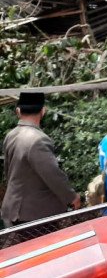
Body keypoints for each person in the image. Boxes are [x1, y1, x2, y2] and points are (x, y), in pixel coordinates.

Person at [2, 93, 81, 227]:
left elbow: (7, 171)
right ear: (43, 111)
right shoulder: (38, 140)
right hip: (34, 215)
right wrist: (72, 197)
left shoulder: (11, 135)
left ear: (18, 111)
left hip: (12, 208)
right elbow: (53, 175)